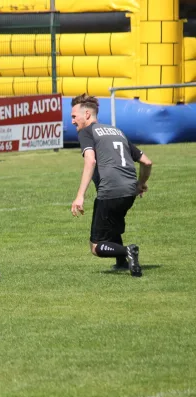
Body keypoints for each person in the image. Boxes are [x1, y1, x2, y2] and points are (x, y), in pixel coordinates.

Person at [70, 94, 153, 277]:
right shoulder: (117, 131)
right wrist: (141, 184)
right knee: (112, 225)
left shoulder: (87, 132)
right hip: (129, 192)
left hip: (110, 192)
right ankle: (122, 262)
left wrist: (80, 196)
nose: (73, 121)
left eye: (75, 116)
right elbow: (146, 162)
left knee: (96, 246)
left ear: (88, 115)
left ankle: (127, 252)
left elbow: (90, 161)